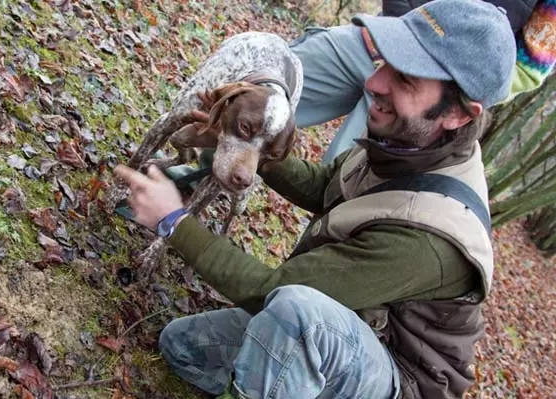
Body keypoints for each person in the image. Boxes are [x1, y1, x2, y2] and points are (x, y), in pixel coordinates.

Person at [113, 0, 515, 397]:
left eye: (406, 80)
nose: (374, 84)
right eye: (385, 62)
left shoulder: (431, 237)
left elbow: (273, 287)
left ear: (459, 115)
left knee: (295, 314)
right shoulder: (412, 145)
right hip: (341, 325)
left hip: (393, 377)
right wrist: (255, 152)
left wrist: (174, 221)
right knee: (182, 348)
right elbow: (327, 187)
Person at [310, 0, 556, 164]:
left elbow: (528, 68)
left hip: (423, 100)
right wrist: (399, 42)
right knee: (275, 89)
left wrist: (437, 81)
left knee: (339, 190)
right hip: (373, 37)